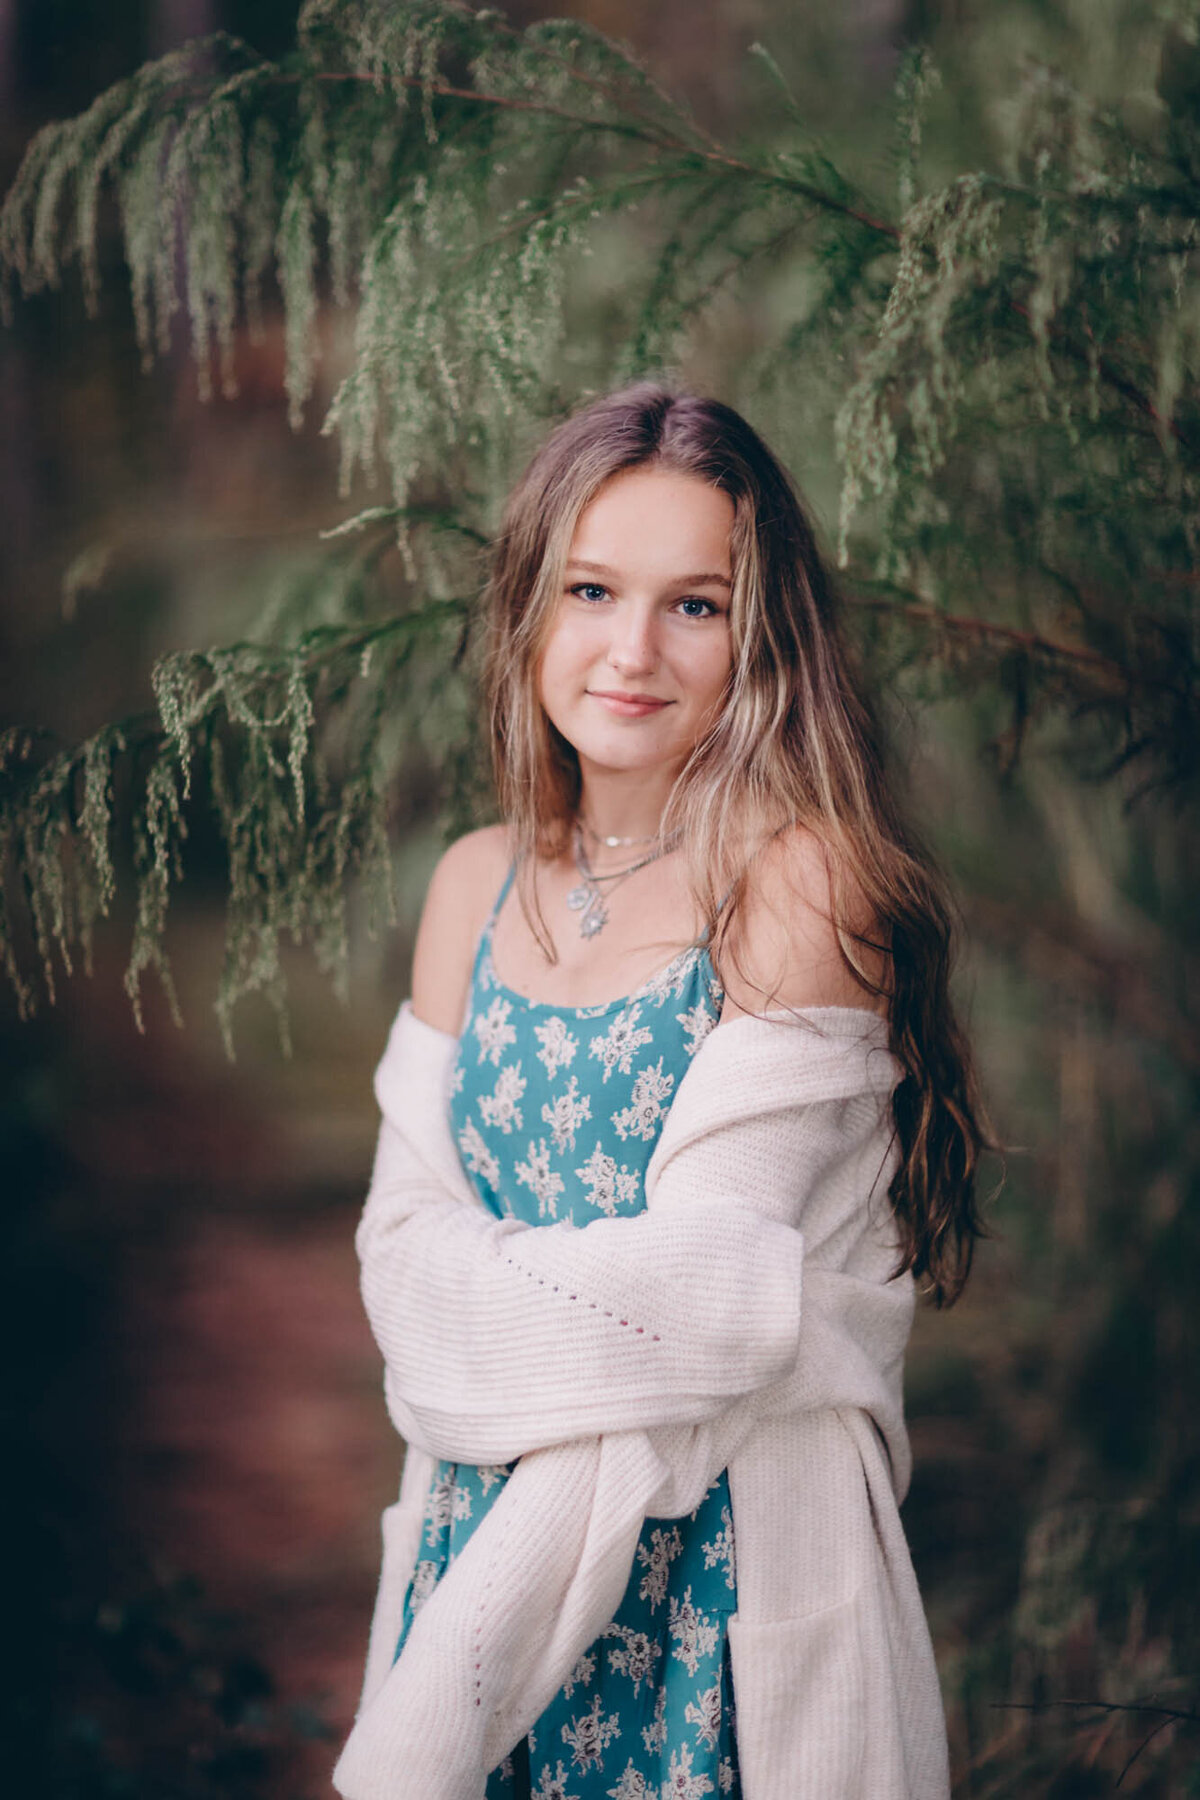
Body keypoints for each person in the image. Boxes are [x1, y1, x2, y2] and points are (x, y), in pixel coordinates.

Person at [332, 385, 987, 1800]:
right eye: (591, 590)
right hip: (475, 1545)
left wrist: (480, 1310)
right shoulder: (472, 884)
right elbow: (394, 1265)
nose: (632, 651)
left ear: (763, 636)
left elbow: (705, 1298)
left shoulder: (797, 881)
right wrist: (541, 1317)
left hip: (718, 1579)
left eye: (696, 604)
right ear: (527, 610)